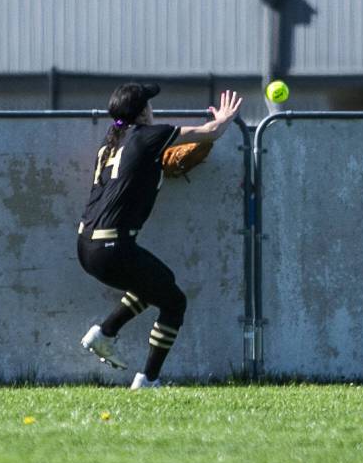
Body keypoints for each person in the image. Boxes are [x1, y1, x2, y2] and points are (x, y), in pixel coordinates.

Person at [77, 83, 242, 389]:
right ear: (142, 111)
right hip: (113, 247)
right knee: (174, 302)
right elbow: (211, 132)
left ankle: (104, 334)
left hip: (87, 246)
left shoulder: (110, 142)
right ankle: (148, 379)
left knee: (158, 283)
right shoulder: (149, 135)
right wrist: (225, 118)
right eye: (149, 104)